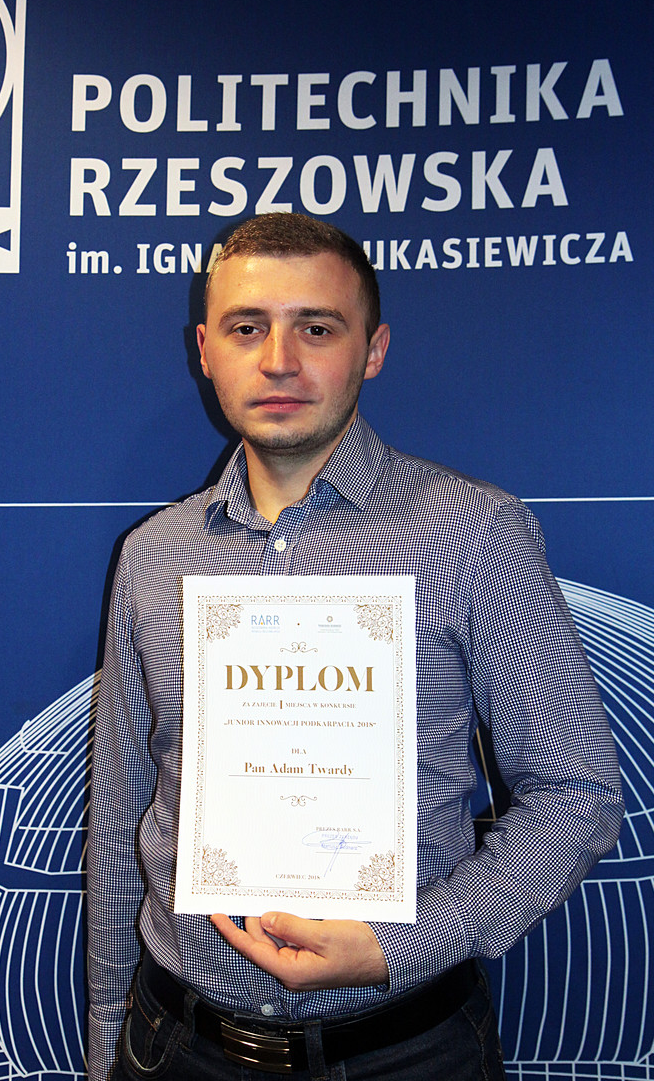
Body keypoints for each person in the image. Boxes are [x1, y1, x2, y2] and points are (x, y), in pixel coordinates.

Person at [87, 212, 623, 1081]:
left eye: (317, 328)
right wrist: (110, 1036)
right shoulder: (153, 556)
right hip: (177, 1042)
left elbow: (578, 794)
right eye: (247, 327)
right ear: (205, 351)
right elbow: (121, 816)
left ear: (372, 350)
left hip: (406, 1051)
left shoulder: (473, 535)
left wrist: (400, 945)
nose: (279, 360)